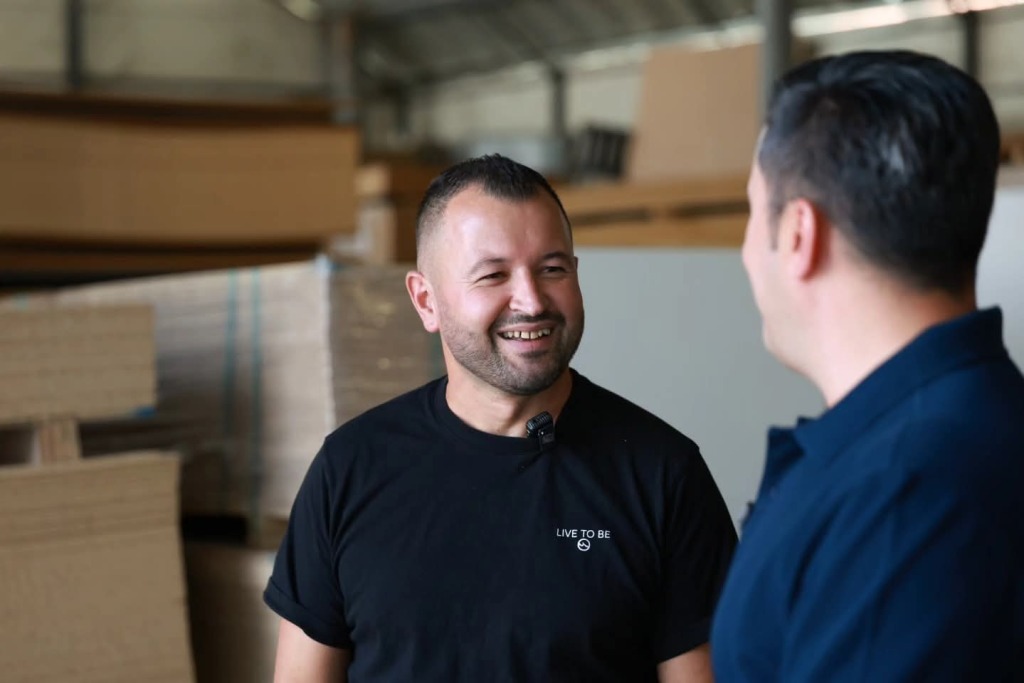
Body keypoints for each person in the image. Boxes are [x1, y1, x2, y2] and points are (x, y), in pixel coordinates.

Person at [264, 154, 738, 682]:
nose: (531, 302)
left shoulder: (663, 474)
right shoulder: (350, 468)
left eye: (552, 269)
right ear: (426, 301)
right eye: (493, 275)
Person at [710, 49, 1024, 681]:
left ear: (799, 234)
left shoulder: (903, 493)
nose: (745, 252)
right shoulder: (966, 425)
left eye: (753, 211)